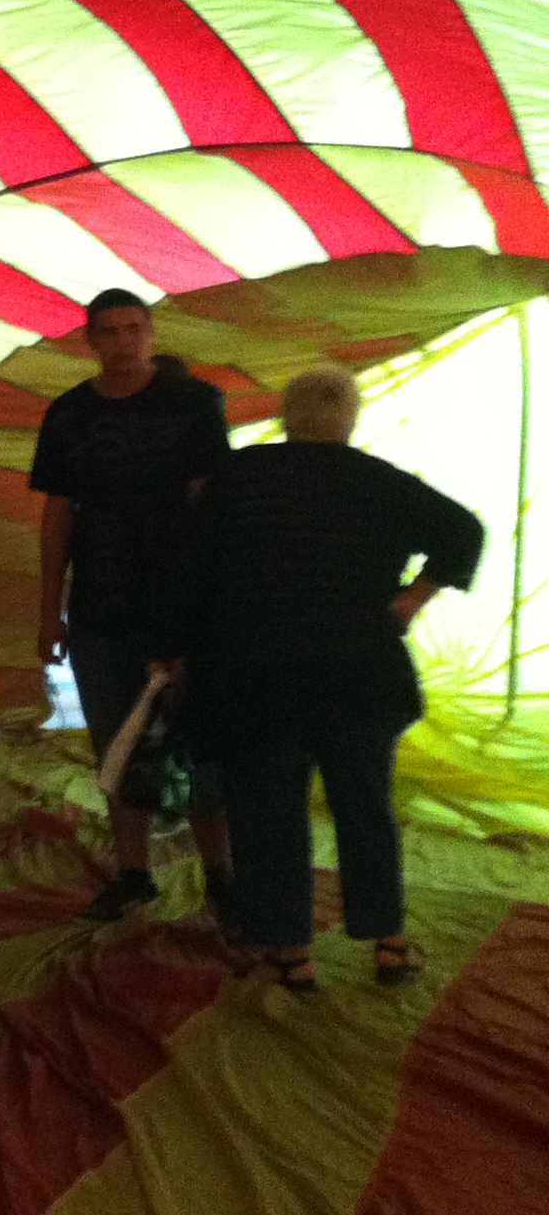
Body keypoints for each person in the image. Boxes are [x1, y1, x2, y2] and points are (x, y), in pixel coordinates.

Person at [175, 367, 482, 991]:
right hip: (359, 672)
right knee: (365, 808)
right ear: (351, 417)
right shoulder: (380, 482)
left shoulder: (236, 477)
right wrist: (410, 601)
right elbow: (463, 530)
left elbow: (193, 570)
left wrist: (177, 652)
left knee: (268, 811)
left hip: (256, 673)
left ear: (287, 415)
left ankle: (290, 952)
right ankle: (389, 943)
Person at [31, 288, 235, 922]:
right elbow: (57, 513)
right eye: (109, 332)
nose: (123, 342)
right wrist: (48, 608)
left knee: (198, 737)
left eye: (133, 329)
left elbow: (212, 505)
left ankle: (221, 875)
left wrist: (215, 600)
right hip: (100, 600)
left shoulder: (196, 403)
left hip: (182, 604)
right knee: (114, 743)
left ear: (151, 333)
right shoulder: (67, 414)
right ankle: (133, 872)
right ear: (89, 341)